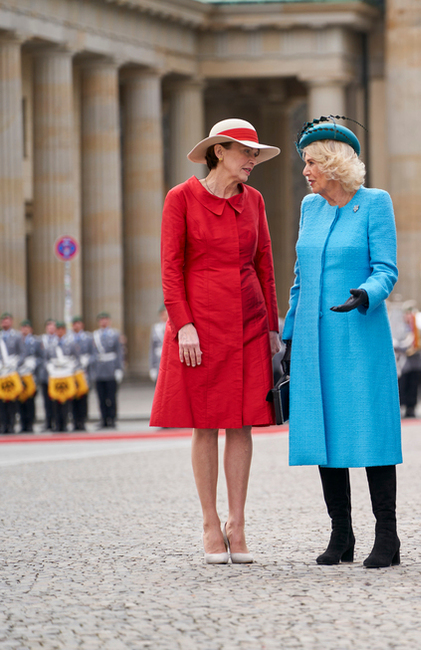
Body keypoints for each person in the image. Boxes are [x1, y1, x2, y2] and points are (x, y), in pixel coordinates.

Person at [150, 118, 281, 565]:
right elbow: (170, 268)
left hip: (248, 321)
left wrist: (272, 328)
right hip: (199, 326)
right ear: (219, 152)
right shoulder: (180, 199)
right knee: (205, 423)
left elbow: (265, 264)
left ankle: (237, 523)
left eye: (255, 154)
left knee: (242, 423)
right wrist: (182, 324)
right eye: (246, 153)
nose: (252, 161)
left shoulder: (256, 201)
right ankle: (210, 523)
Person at [283, 118, 402, 568]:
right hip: (314, 339)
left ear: (333, 161)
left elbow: (386, 269)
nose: (306, 171)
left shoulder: (375, 204)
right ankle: (341, 534)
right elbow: (299, 278)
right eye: (304, 163)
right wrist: (289, 336)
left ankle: (387, 538)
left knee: (370, 432)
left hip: (359, 332)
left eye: (311, 161)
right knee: (324, 432)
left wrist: (366, 293)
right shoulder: (310, 209)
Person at [91, 313, 124, 429]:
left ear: (109, 321)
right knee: (101, 397)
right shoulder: (95, 335)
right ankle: (103, 419)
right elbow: (93, 354)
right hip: (99, 370)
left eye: (105, 320)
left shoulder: (115, 334)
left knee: (111, 396)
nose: (103, 322)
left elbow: (119, 353)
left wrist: (119, 369)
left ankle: (112, 419)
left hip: (111, 369)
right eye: (101, 320)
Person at [66, 316, 93, 432]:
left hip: (83, 372)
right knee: (72, 397)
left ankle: (82, 421)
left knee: (83, 397)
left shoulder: (88, 338)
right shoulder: (68, 338)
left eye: (78, 323)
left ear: (82, 325)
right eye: (74, 324)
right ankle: (74, 421)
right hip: (71, 372)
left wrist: (88, 360)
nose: (76, 326)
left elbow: (93, 354)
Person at [0, 312, 24, 433]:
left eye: (7, 320)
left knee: (12, 400)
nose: (5, 322)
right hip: (0, 374)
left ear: (11, 322)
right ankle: (2, 425)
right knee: (1, 402)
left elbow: (22, 354)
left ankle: (11, 424)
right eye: (3, 320)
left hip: (12, 373)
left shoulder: (17, 336)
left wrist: (16, 363)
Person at [17, 320, 38, 433]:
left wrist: (34, 362)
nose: (25, 330)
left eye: (27, 327)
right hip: (19, 374)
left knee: (30, 400)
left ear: (31, 329)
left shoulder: (35, 341)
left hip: (31, 375)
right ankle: (22, 424)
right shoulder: (18, 341)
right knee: (20, 400)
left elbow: (40, 356)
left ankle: (30, 424)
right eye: (23, 327)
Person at [37, 319, 58, 431]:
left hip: (57, 375)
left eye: (53, 326)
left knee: (56, 400)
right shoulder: (41, 340)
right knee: (46, 400)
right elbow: (38, 357)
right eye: (49, 326)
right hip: (45, 374)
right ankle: (48, 422)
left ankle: (57, 421)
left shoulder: (59, 340)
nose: (51, 328)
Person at [149, 306, 167, 382]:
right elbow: (152, 349)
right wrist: (152, 367)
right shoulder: (156, 328)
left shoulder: (174, 326)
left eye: (164, 312)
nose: (162, 315)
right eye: (161, 313)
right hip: (158, 363)